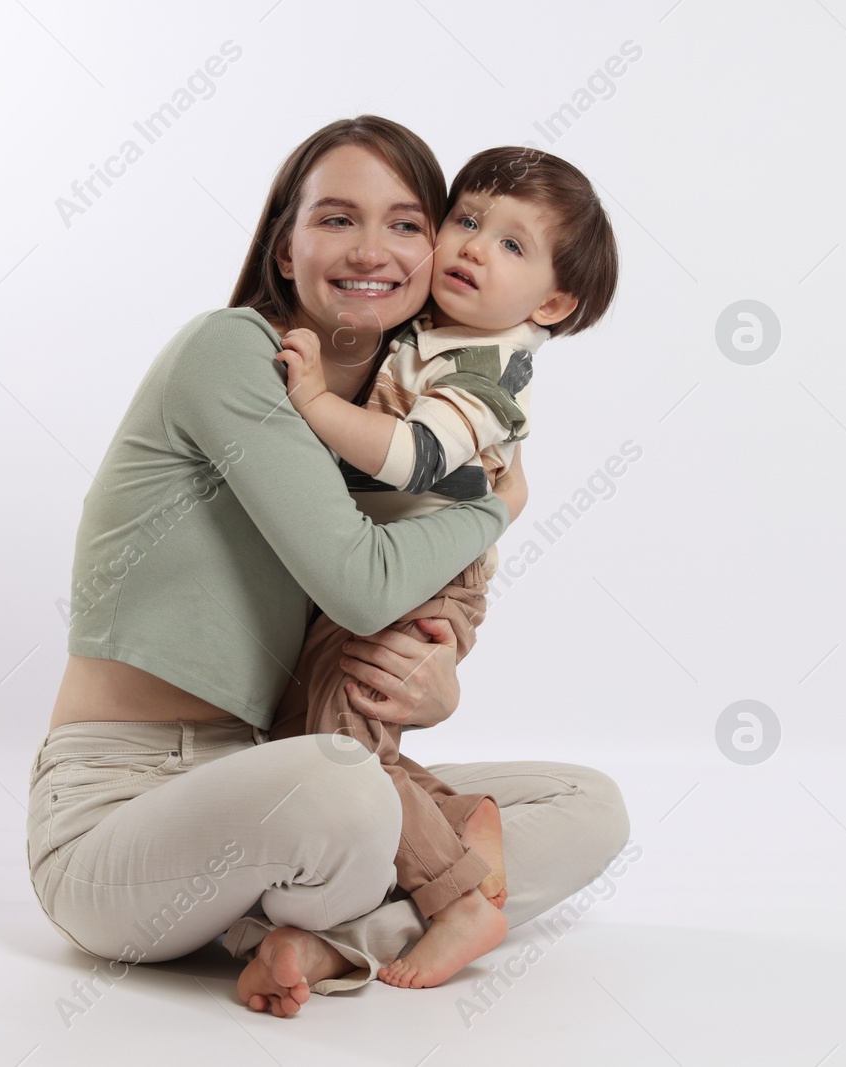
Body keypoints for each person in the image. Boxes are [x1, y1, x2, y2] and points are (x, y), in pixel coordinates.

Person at [25, 114, 630, 1019]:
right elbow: (361, 582)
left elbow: (366, 623)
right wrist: (496, 508)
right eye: (337, 219)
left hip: (275, 771)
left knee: (590, 805)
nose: (371, 250)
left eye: (407, 223)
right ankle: (385, 906)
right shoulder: (234, 354)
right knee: (348, 786)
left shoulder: (401, 406)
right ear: (283, 247)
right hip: (119, 812)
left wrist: (433, 689)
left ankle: (315, 939)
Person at [268, 145, 619, 988]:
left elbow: (415, 459)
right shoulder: (433, 333)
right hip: (389, 562)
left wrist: (314, 405)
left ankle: (457, 898)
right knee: (318, 736)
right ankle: (460, 817)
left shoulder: (486, 369)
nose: (469, 247)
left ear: (555, 300)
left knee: (344, 750)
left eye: (511, 245)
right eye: (466, 220)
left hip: (427, 573)